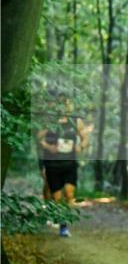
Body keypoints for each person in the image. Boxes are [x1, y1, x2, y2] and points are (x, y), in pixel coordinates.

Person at [37, 95, 90, 237]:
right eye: (61, 103)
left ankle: (64, 227)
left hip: (70, 164)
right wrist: (49, 147)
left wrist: (81, 146)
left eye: (66, 103)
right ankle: (56, 217)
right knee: (57, 197)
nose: (64, 106)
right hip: (53, 164)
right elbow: (39, 137)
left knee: (69, 194)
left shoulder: (75, 121)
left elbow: (85, 137)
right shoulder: (50, 121)